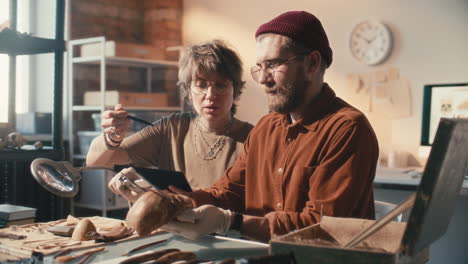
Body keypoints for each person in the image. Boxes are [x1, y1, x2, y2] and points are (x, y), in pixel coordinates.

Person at [121, 11, 379, 242]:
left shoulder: (347, 129)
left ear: (312, 63)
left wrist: (228, 222)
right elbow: (229, 191)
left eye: (274, 64)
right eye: (260, 67)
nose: (264, 79)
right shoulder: (267, 127)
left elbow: (321, 228)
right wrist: (179, 202)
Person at [86, 39, 254, 194]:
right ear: (188, 90)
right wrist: (112, 137)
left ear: (235, 89)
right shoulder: (171, 128)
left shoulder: (254, 138)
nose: (210, 94)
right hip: (171, 225)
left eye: (220, 85)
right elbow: (95, 162)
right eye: (201, 85)